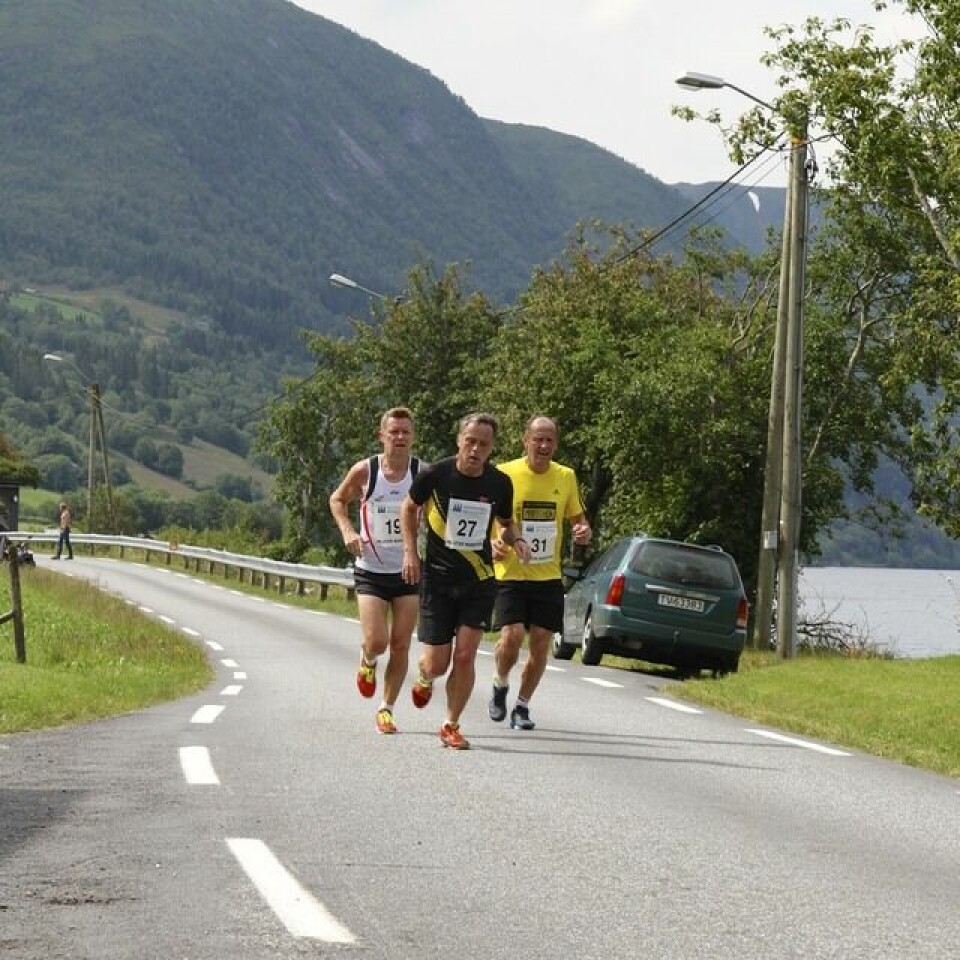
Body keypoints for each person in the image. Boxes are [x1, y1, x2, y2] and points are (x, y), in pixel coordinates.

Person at [400, 412, 530, 750]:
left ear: (491, 449)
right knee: (437, 663)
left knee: (466, 655)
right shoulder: (435, 474)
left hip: (479, 579)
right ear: (459, 440)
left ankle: (451, 724)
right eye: (470, 442)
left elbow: (505, 521)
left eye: (483, 445)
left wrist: (514, 540)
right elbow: (408, 509)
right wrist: (411, 553)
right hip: (438, 580)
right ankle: (425, 676)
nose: (475, 449)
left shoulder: (499, 482)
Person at [489, 415, 592, 730]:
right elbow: (485, 515)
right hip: (510, 571)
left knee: (541, 642)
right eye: (538, 439)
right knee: (512, 635)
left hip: (547, 575)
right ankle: (501, 682)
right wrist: (489, 543)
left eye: (550, 440)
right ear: (526, 441)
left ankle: (522, 706)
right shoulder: (505, 474)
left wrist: (582, 530)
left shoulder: (566, 477)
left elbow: (578, 518)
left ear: (556, 444)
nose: (544, 445)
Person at [329, 407, 422, 734]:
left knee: (401, 644)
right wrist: (347, 531)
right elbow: (337, 500)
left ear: (412, 436)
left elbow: (441, 510)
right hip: (371, 568)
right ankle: (367, 661)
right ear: (381, 436)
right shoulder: (366, 470)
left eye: (405, 432)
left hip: (408, 570)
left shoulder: (421, 472)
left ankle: (387, 708)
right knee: (378, 641)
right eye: (393, 432)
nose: (399, 437)